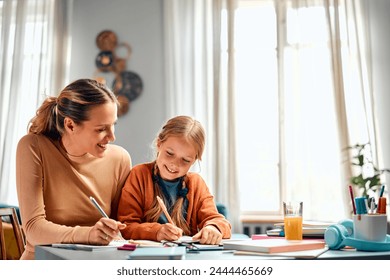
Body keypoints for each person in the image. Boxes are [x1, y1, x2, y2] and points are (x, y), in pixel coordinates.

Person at [16, 78, 132, 260]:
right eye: (101, 129)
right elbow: (33, 229)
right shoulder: (34, 147)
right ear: (70, 125)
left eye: (113, 125)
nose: (112, 137)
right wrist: (88, 235)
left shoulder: (120, 158)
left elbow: (123, 226)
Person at [117, 115, 231, 245]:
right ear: (159, 144)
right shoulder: (139, 175)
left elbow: (220, 222)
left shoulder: (196, 183)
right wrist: (157, 232)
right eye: (170, 153)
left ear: (194, 160)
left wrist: (213, 228)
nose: (175, 164)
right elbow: (126, 226)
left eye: (186, 160)